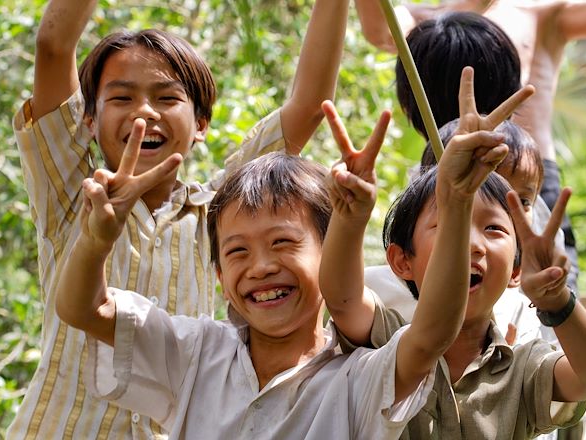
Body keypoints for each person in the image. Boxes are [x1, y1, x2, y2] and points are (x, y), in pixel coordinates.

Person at [8, 0, 351, 437]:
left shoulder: (222, 211)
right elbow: (53, 46)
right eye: (122, 97)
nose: (144, 112)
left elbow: (308, 105)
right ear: (89, 120)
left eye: (167, 97)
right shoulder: (73, 195)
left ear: (201, 122)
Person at [50, 143, 478, 438]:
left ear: (329, 255)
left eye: (283, 242)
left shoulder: (358, 379)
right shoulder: (195, 352)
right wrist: (95, 240)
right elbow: (84, 309)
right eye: (237, 252)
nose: (262, 267)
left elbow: (430, 335)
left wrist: (456, 202)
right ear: (219, 276)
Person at [320, 67, 586, 439]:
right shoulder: (386, 338)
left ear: (516, 272)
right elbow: (340, 296)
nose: (472, 244)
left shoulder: (525, 367)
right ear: (403, 261)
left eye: (494, 229)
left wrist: (558, 302)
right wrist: (349, 218)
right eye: (450, 223)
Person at [357, 1, 586, 290]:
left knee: (547, 281)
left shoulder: (540, 10)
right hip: (443, 168)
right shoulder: (423, 18)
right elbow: (378, 30)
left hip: (524, 174)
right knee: (441, 283)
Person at [367, 118, 562, 348]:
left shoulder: (520, 308)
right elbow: (342, 299)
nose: (507, 212)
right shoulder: (378, 292)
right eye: (474, 189)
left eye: (522, 200)